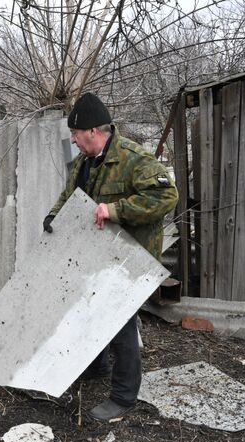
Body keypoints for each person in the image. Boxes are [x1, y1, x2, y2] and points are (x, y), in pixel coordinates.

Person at [44, 92, 178, 421]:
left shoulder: (133, 158)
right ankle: (96, 367)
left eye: (75, 134)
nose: (72, 140)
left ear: (92, 131)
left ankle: (123, 397)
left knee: (120, 326)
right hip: (98, 255)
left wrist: (116, 209)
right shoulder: (83, 163)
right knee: (90, 311)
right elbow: (70, 197)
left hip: (131, 258)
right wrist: (53, 217)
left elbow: (166, 195)